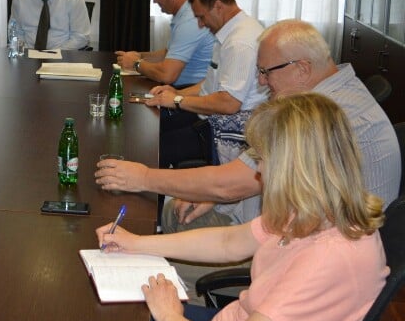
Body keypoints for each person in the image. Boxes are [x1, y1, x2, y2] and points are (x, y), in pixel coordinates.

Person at [97, 93, 388, 321]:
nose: (259, 169)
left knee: (117, 318)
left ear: (292, 167)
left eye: (262, 158)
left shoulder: (326, 258)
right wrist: (136, 243)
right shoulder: (314, 209)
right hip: (233, 320)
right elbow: (229, 242)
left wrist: (170, 317)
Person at [95, 19, 401, 231]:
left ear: (302, 68)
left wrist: (144, 177)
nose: (262, 82)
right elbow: (245, 183)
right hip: (289, 225)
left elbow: (232, 184)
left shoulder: (317, 116)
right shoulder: (340, 91)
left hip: (297, 255)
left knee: (159, 228)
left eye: (266, 72)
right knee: (171, 211)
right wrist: (216, 195)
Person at [145, 0, 267, 168]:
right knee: (153, 129)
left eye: (201, 17)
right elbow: (211, 83)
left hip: (227, 131)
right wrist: (176, 93)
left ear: (218, 6)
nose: (201, 25)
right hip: (211, 116)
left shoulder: (239, 42)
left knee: (153, 149)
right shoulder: (228, 32)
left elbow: (228, 103)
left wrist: (177, 101)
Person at [115, 0, 214, 88]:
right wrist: (139, 56)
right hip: (183, 87)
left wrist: (136, 64)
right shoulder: (184, 13)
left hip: (190, 90)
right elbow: (167, 54)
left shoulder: (190, 19)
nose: (154, 1)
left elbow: (167, 75)